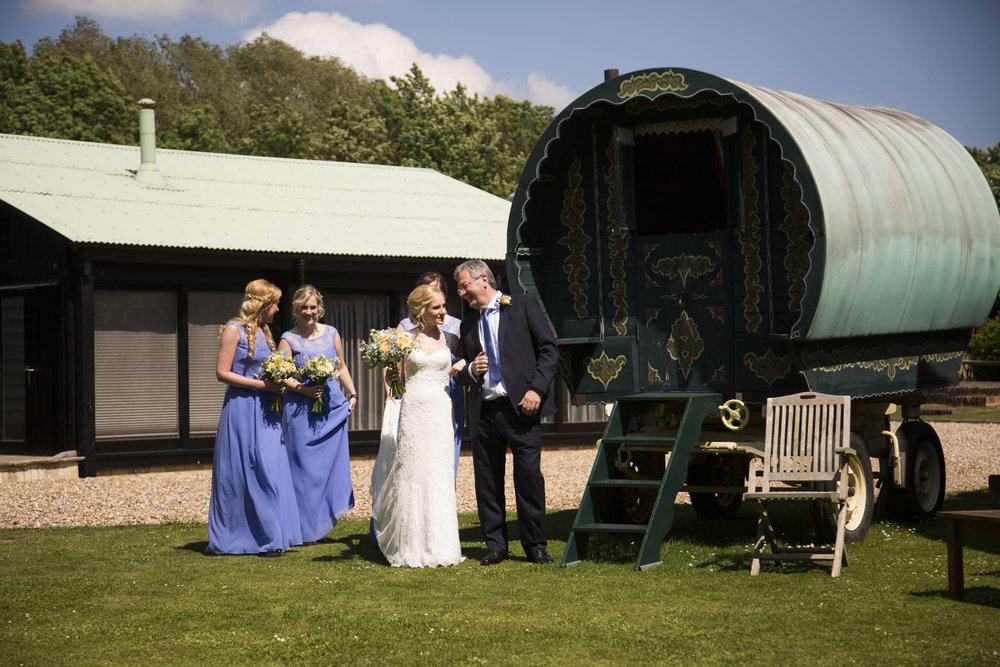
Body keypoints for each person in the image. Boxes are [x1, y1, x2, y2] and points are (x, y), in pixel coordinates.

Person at [453, 260, 559, 565]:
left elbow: (549, 349)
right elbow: (459, 370)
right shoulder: (468, 324)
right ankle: (496, 546)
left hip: (521, 409)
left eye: (464, 286)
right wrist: (471, 370)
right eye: (460, 289)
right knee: (487, 481)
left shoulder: (522, 305)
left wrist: (536, 390)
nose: (461, 293)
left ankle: (535, 545)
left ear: (483, 280)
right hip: (484, 412)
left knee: (528, 478)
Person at [370, 284, 466, 567]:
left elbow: (461, 361)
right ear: (421, 310)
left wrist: (461, 365)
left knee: (438, 473)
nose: (443, 312)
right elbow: (392, 378)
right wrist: (390, 371)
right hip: (413, 411)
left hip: (440, 410)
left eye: (444, 306)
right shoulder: (404, 338)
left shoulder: (449, 338)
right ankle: (410, 546)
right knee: (413, 473)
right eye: (437, 307)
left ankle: (441, 546)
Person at [206, 279, 302, 557]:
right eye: (275, 304)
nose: (277, 309)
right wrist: (262, 386)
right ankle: (239, 536)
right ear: (263, 304)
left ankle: (271, 534)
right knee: (243, 469)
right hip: (242, 407)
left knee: (269, 467)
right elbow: (222, 372)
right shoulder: (234, 329)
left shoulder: (266, 332)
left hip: (267, 408)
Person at [278, 285, 358, 545]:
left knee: (324, 470)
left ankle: (318, 524)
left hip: (331, 410)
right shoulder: (287, 339)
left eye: (313, 307)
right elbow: (282, 375)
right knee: (302, 471)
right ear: (296, 309)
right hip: (300, 411)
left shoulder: (332, 333)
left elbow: (341, 366)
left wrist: (353, 393)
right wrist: (303, 389)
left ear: (319, 308)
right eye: (303, 307)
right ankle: (302, 529)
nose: (309, 312)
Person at [390, 271, 464, 477]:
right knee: (413, 459)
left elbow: (468, 356)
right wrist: (391, 388)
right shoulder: (405, 332)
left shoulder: (453, 331)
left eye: (439, 295)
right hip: (414, 401)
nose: (440, 308)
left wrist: (466, 362)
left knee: (443, 457)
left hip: (446, 397)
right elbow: (394, 369)